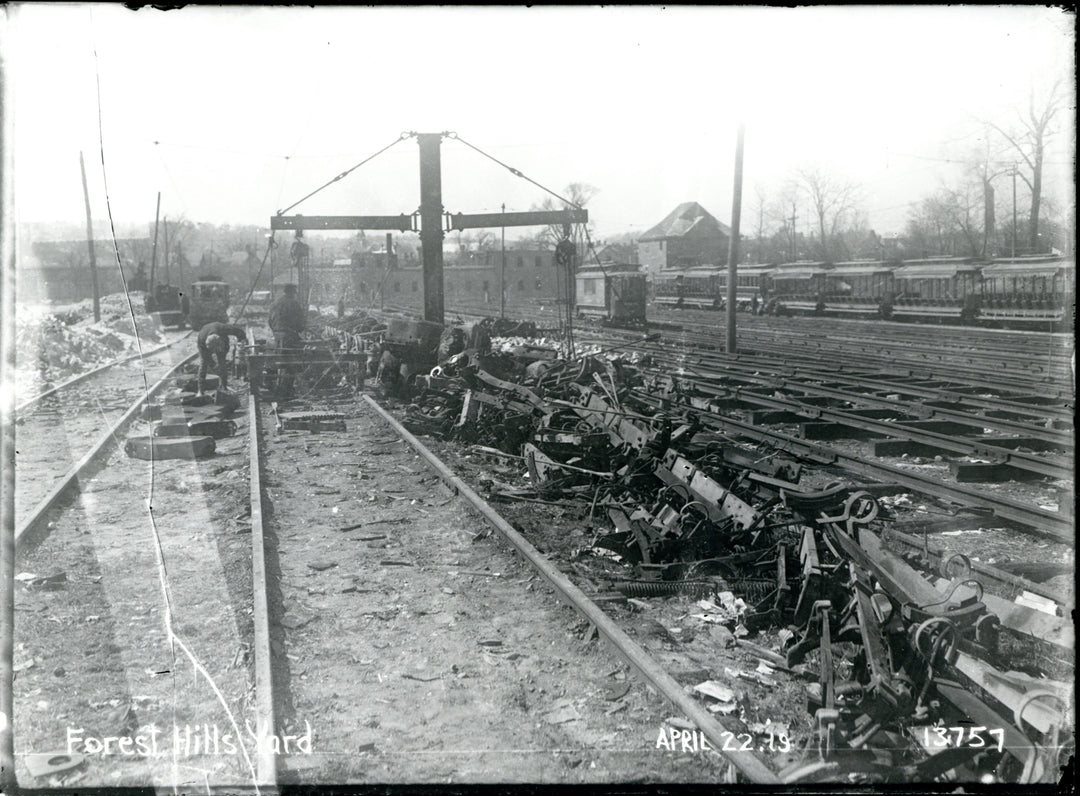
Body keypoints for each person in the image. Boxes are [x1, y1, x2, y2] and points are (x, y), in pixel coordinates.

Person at [268, 284, 306, 396]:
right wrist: (300, 329)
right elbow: (300, 323)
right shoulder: (294, 303)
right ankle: (285, 391)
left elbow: (270, 321)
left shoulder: (274, 303)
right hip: (289, 335)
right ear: (292, 292)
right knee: (292, 363)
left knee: (280, 360)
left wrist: (276, 332)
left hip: (277, 335)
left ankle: (279, 386)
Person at [197, 321, 247, 396]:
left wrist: (241, 340)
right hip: (205, 346)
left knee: (222, 363)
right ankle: (200, 390)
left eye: (216, 349)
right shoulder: (201, 339)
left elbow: (239, 331)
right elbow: (206, 358)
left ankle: (224, 387)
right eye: (213, 350)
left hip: (223, 343)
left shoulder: (223, 328)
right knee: (203, 365)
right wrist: (213, 365)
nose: (215, 352)